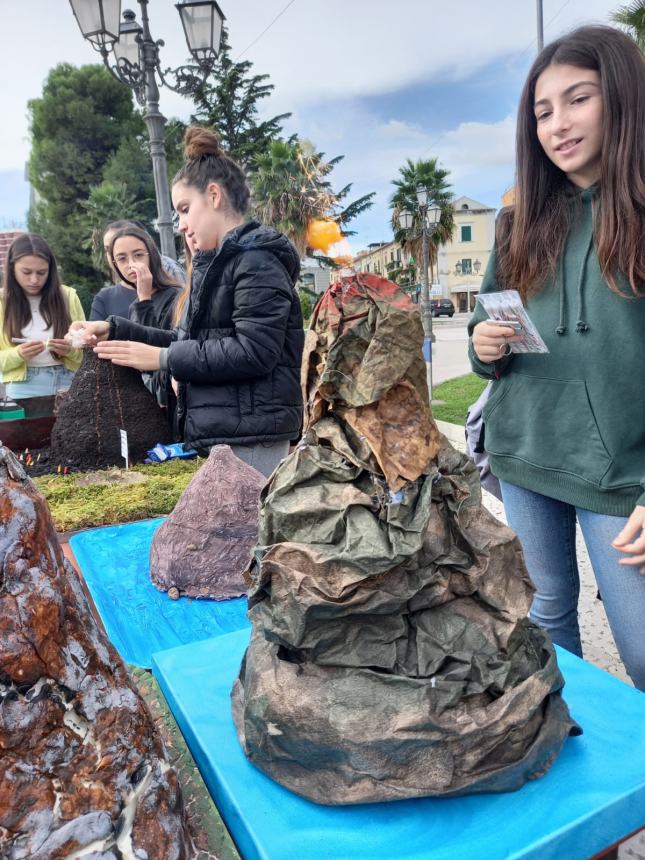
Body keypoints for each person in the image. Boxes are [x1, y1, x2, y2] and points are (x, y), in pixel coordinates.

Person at [467, 25, 645, 690]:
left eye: (577, 100)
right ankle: (572, 755)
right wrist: (484, 350)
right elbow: (491, 324)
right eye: (541, 111)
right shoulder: (519, 221)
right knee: (546, 627)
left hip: (622, 474)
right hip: (525, 454)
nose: (557, 125)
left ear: (621, 99)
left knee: (641, 650)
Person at [70, 127, 304, 477]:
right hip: (228, 430)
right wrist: (115, 329)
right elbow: (194, 344)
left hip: (252, 436)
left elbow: (254, 351)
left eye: (183, 209)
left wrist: (164, 358)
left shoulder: (257, 261)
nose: (180, 225)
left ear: (213, 195)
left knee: (244, 531)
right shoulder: (220, 263)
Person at [0, 233, 85, 399]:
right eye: (26, 272)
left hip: (70, 381)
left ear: (50, 270)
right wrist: (18, 354)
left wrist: (69, 350)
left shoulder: (68, 296)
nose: (34, 280)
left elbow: (87, 352)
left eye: (41, 272)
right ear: (12, 268)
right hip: (24, 387)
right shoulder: (2, 302)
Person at [89, 220, 185, 321]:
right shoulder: (105, 297)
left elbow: (158, 335)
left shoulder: (175, 295)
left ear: (151, 254)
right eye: (122, 258)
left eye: (138, 255)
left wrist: (144, 299)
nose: (131, 264)